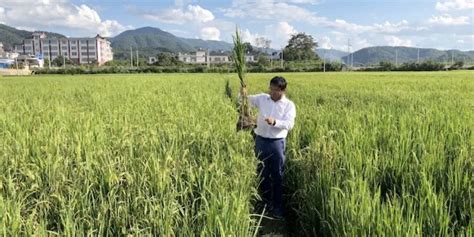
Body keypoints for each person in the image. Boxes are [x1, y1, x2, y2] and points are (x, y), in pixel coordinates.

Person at [246, 76, 296, 219]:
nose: (272, 92)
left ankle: (278, 206)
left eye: (275, 90)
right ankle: (265, 203)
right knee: (262, 172)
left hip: (276, 143)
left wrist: (275, 122)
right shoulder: (262, 98)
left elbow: (289, 124)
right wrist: (243, 93)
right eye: (271, 89)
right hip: (260, 140)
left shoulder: (289, 105)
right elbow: (244, 100)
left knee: (277, 175)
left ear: (282, 90)